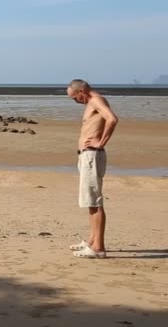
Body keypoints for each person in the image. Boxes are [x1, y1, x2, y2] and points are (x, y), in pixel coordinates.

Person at [67, 79, 119, 259]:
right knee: (90, 201)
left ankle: (98, 248)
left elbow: (112, 119)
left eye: (75, 98)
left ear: (82, 90)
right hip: (87, 155)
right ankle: (92, 241)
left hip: (92, 155)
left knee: (94, 201)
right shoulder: (91, 102)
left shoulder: (96, 100)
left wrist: (100, 143)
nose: (76, 101)